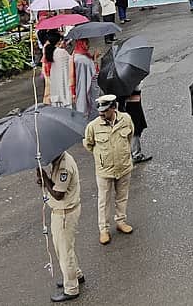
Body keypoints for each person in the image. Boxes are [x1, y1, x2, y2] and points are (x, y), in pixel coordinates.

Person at [83, 94, 135, 245]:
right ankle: (103, 229)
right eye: (100, 111)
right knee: (103, 201)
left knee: (122, 196)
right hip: (104, 170)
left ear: (113, 108)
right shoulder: (93, 126)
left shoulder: (126, 119)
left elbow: (129, 136)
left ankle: (121, 221)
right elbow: (89, 144)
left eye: (105, 111)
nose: (102, 114)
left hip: (124, 166)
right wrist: (102, 157)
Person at [37, 150, 84, 303]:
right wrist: (45, 181)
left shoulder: (64, 166)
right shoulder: (59, 160)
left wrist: (45, 178)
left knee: (64, 252)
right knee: (67, 248)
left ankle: (71, 288)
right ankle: (76, 275)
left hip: (64, 214)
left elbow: (58, 194)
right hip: (65, 211)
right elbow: (56, 185)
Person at [119, 81, 152, 164]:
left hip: (124, 104)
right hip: (132, 103)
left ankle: (129, 153)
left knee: (130, 127)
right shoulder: (128, 76)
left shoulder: (115, 80)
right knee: (135, 128)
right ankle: (136, 154)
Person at [46, 33, 72, 107]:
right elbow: (71, 60)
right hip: (63, 80)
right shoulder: (61, 52)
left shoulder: (51, 52)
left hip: (55, 80)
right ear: (58, 41)